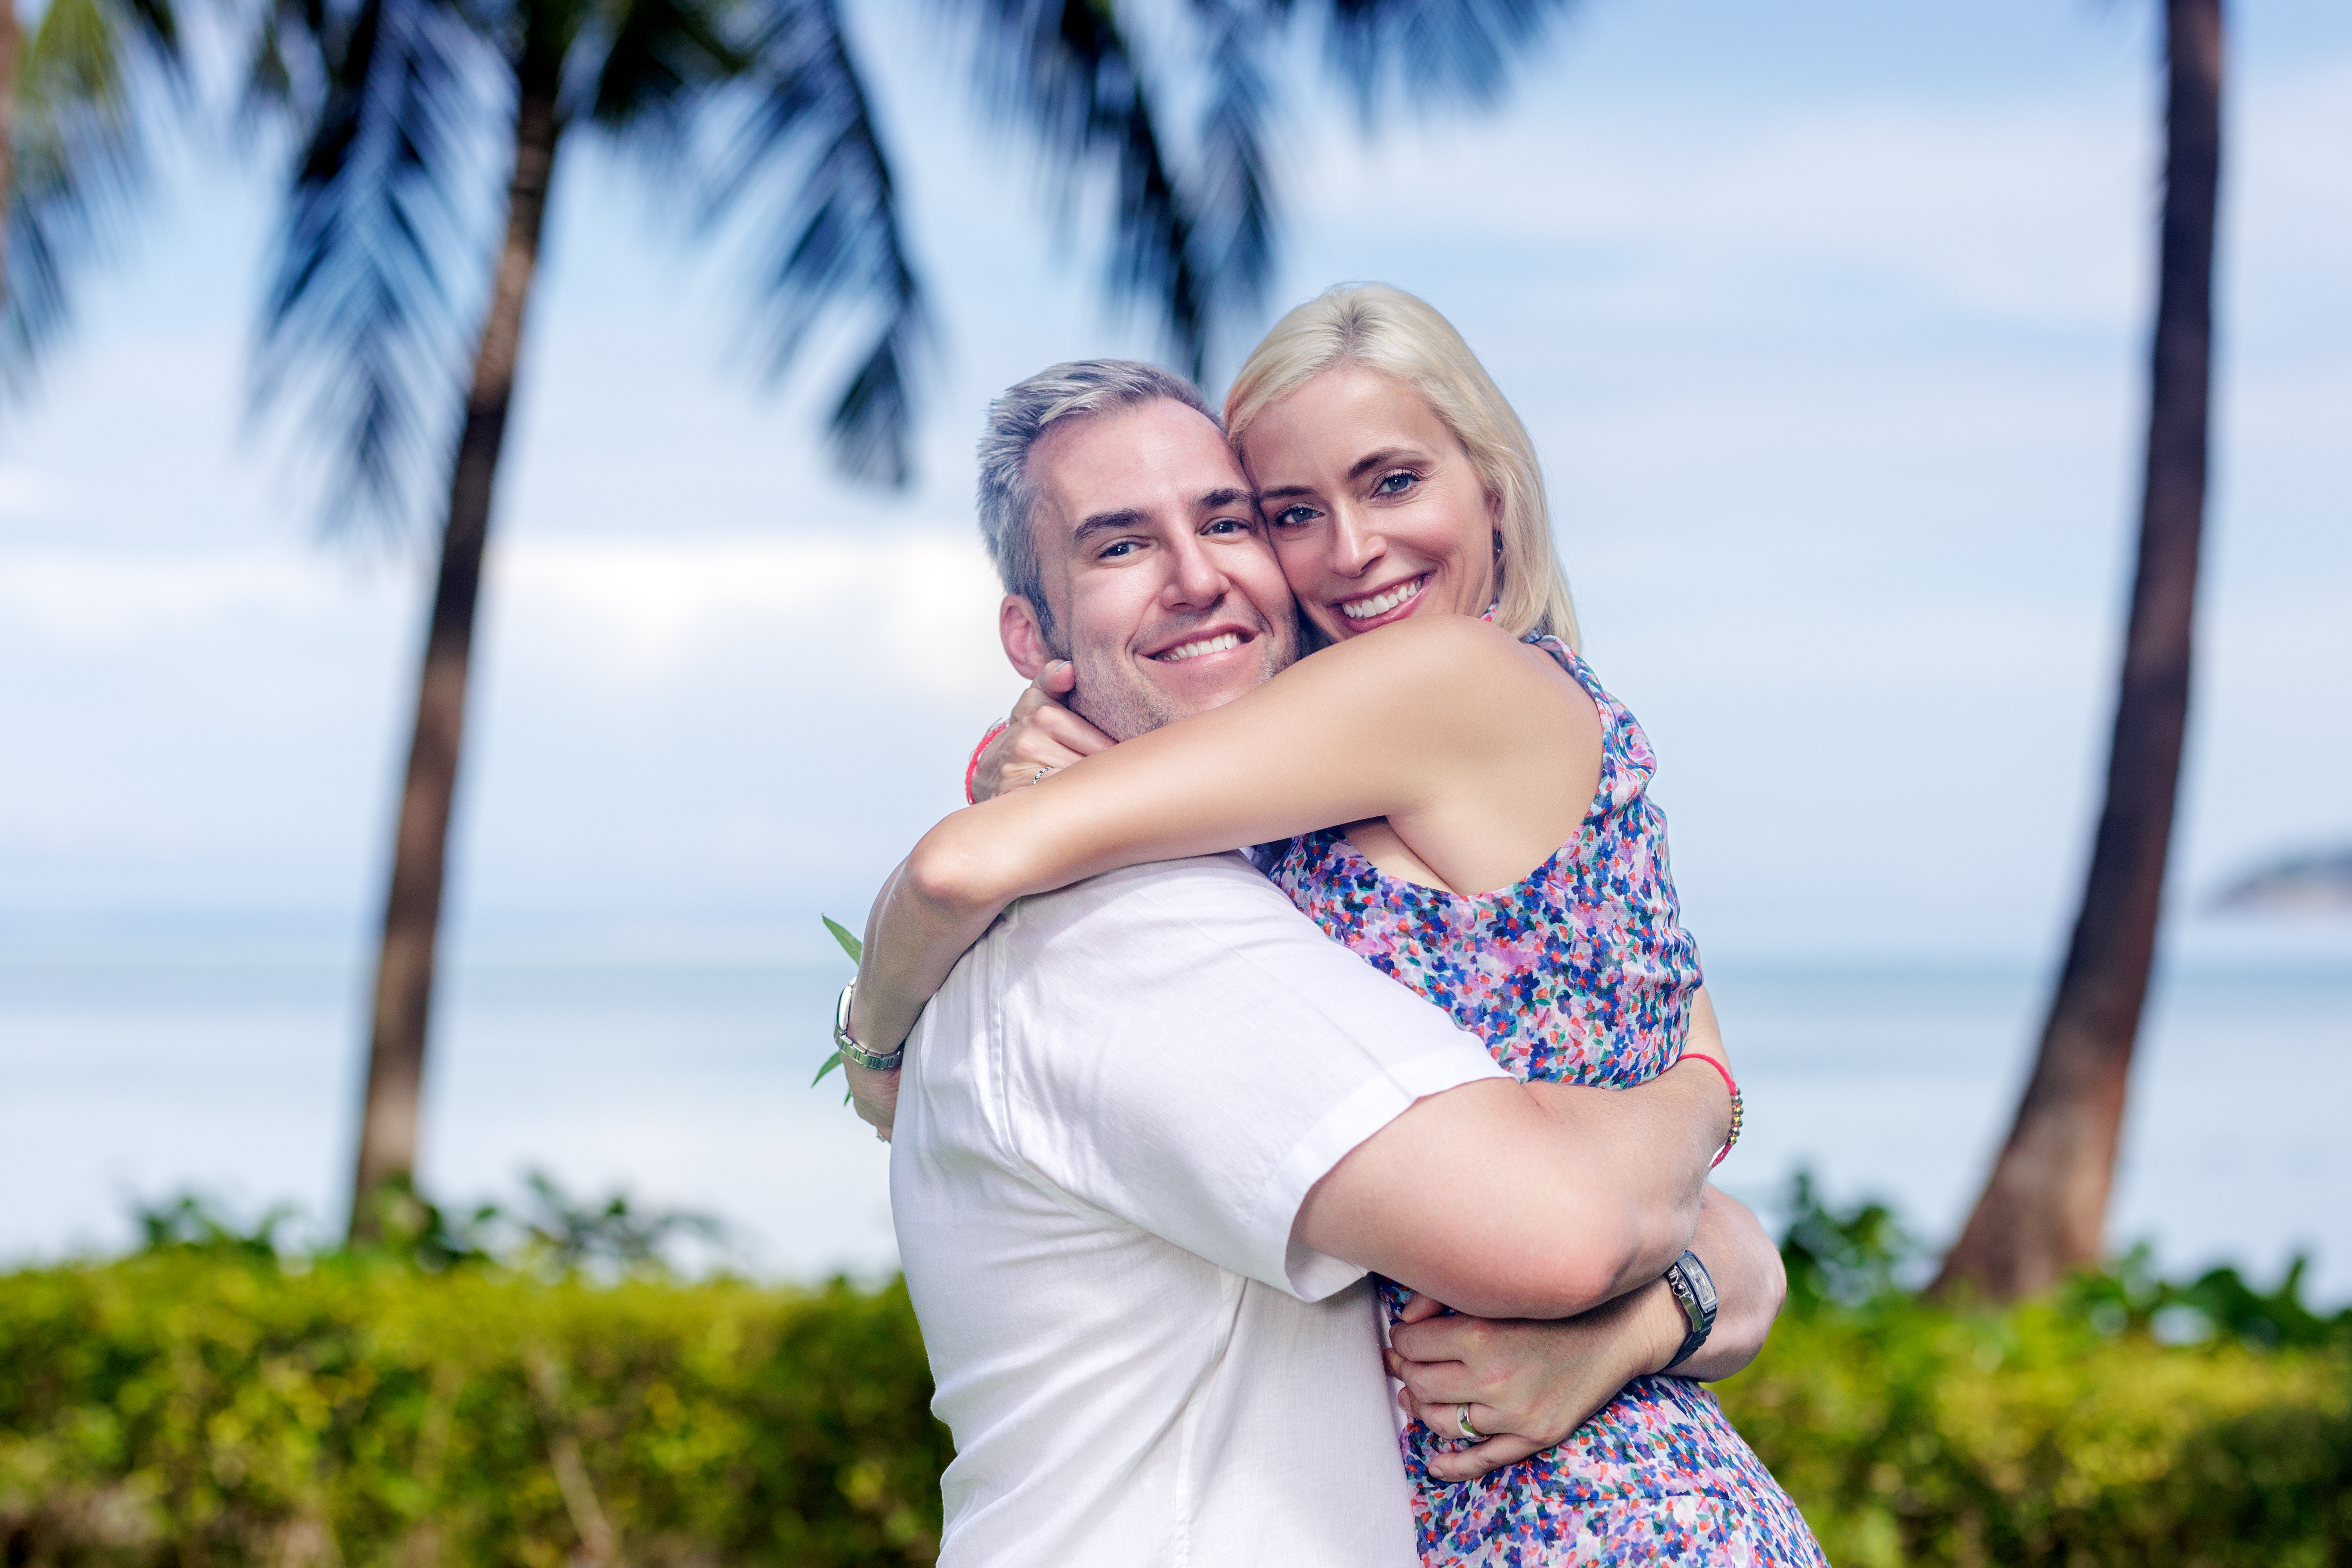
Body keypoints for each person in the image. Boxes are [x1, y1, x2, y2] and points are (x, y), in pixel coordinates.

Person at [847, 292, 1825, 1566]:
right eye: (1294, 510)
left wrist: (873, 1051)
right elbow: (1725, 1235)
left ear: (1497, 493)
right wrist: (1680, 1196)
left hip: (1597, 1513)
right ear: (1033, 632)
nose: (1349, 552)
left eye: (1392, 481)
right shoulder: (1282, 826)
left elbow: (960, 863)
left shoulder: (1447, 682)